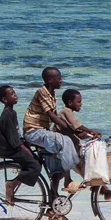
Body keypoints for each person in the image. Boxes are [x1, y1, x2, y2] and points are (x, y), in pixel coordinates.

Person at [22, 67, 79, 202]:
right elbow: (52, 117)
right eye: (58, 78)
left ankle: (53, 208)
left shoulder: (51, 94)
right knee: (65, 141)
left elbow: (56, 121)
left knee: (56, 171)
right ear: (49, 80)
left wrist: (75, 132)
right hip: (33, 132)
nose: (61, 80)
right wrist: (73, 130)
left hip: (43, 132)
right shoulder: (42, 92)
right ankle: (68, 180)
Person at [56, 89, 111, 201]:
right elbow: (77, 125)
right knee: (90, 168)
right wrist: (91, 131)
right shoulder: (66, 111)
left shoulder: (67, 113)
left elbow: (76, 132)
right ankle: (103, 190)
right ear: (70, 102)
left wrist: (89, 134)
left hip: (73, 148)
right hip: (68, 150)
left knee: (89, 169)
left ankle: (102, 190)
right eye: (78, 102)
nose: (81, 104)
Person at [0, 85, 41, 205]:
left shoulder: (12, 112)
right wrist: (26, 149)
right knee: (35, 166)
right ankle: (11, 185)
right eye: (12, 93)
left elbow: (16, 135)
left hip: (13, 146)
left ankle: (14, 184)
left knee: (37, 161)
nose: (15, 95)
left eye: (15, 92)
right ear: (5, 99)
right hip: (9, 149)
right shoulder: (7, 114)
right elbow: (13, 140)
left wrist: (30, 144)